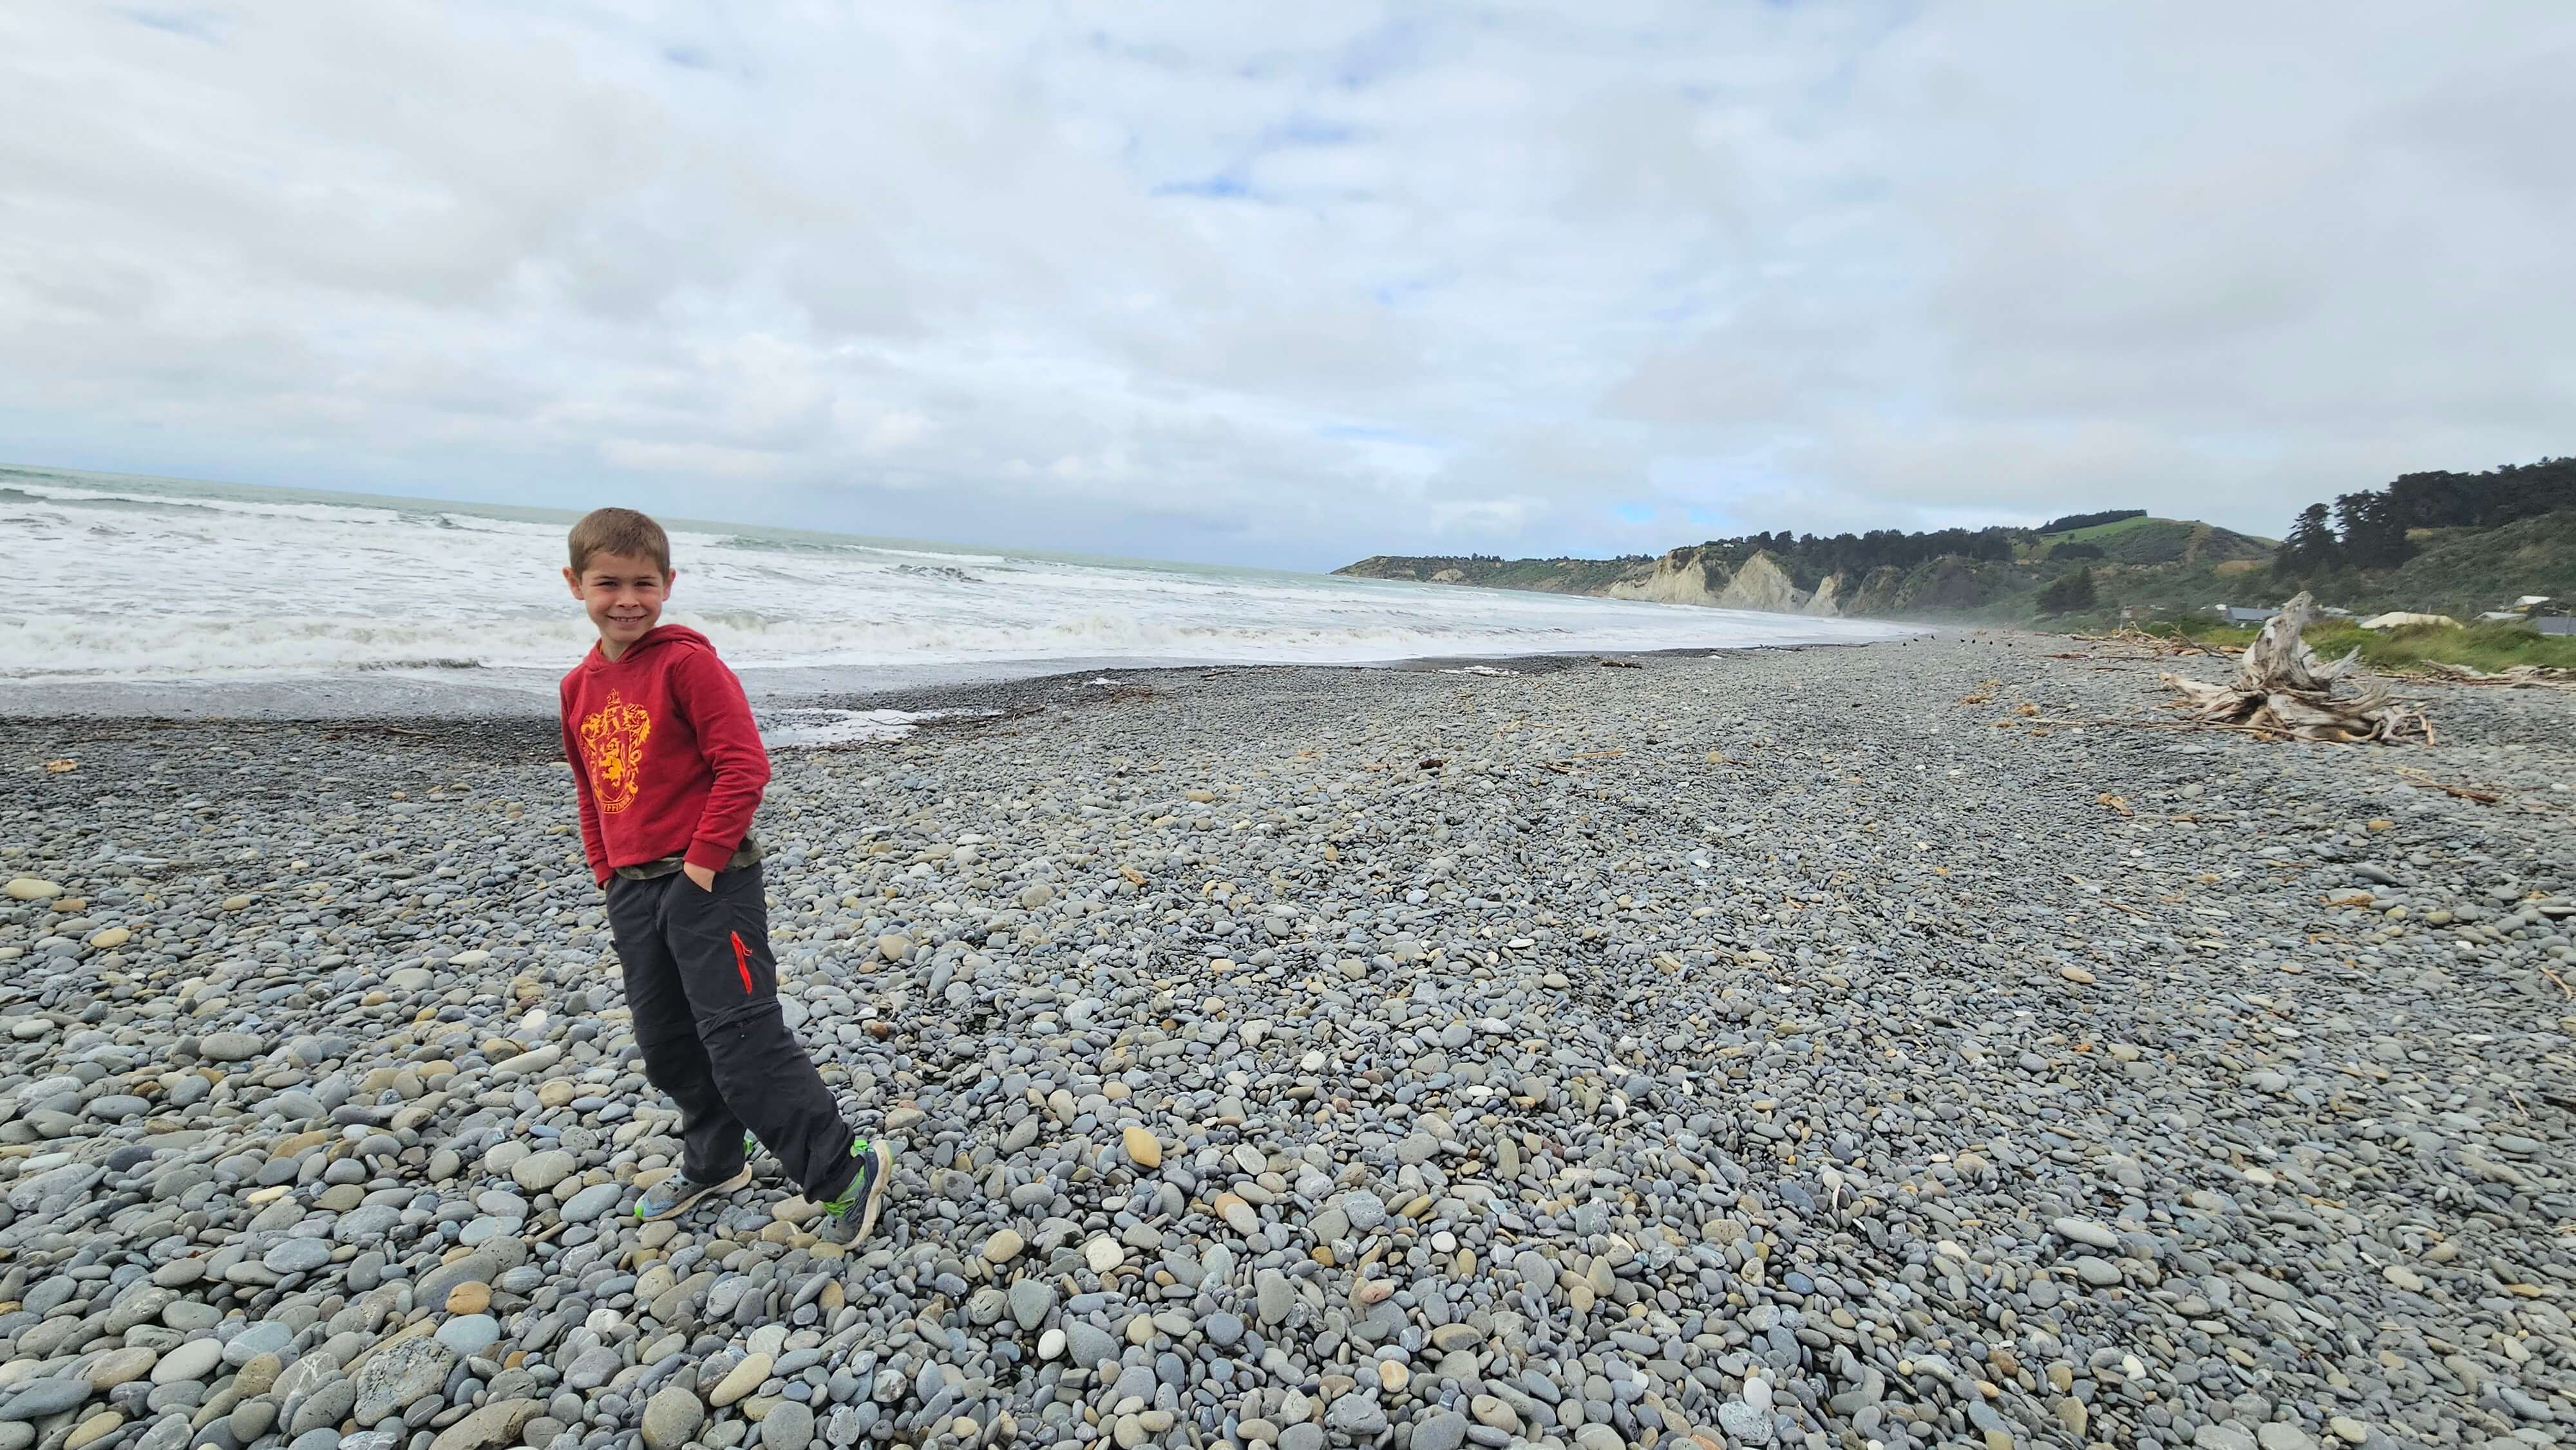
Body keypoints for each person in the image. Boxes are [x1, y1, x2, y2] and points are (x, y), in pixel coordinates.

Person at [557, 506, 894, 1241]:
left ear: (668, 583)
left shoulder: (689, 664)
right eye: (607, 583)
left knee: (742, 1041)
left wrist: (702, 868)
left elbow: (744, 766)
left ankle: (844, 1169)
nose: (626, 599)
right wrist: (605, 872)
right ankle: (715, 1159)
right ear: (575, 583)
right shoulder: (577, 686)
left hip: (710, 879)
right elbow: (590, 786)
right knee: (667, 1043)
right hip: (633, 887)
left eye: (643, 583)